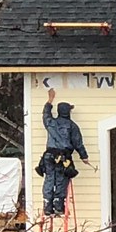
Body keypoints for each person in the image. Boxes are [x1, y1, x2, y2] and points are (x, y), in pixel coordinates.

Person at [37, 88, 89, 216]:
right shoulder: (72, 126)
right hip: (63, 157)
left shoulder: (51, 122)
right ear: (68, 112)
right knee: (61, 178)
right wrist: (84, 157)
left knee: (49, 178)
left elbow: (45, 115)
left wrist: (50, 100)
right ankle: (58, 205)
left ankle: (48, 205)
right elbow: (78, 142)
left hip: (48, 156)